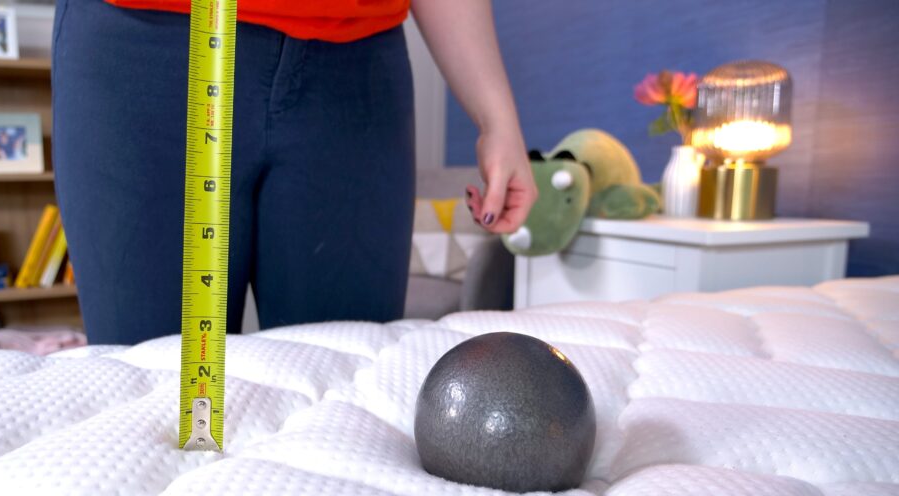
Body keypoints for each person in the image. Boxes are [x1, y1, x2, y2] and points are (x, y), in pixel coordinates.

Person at [52, 0, 537, 345]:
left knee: (341, 400)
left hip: (357, 59)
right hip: (145, 39)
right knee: (153, 404)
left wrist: (497, 118)